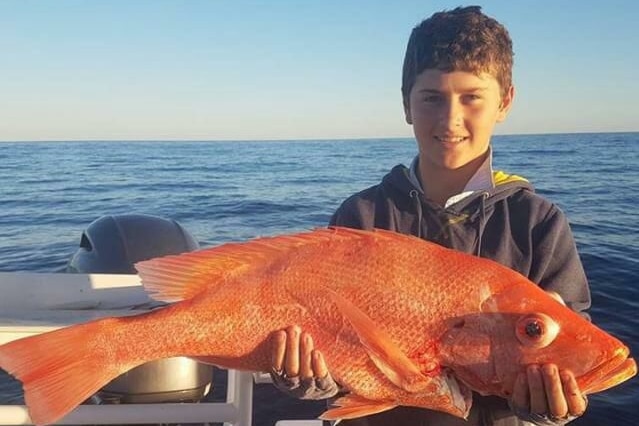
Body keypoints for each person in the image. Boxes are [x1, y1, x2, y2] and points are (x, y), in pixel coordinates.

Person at [269, 6, 591, 426]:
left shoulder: (538, 224)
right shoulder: (362, 215)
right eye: (431, 98)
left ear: (505, 101)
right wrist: (309, 379)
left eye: (472, 97)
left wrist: (550, 406)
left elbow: (573, 352)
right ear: (407, 104)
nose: (450, 119)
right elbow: (331, 352)